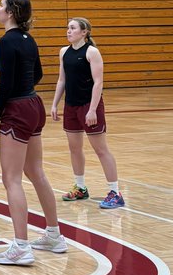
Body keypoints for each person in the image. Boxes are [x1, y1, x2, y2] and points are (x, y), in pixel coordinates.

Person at [0, 0, 66, 266]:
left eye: (1, 6)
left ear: (10, 12)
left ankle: (21, 246)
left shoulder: (6, 42)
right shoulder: (28, 39)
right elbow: (40, 74)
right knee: (35, 171)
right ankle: (54, 235)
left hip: (17, 108)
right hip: (34, 103)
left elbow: (5, 84)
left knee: (11, 179)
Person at [51, 17, 125, 209]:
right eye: (67, 28)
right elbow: (62, 80)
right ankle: (81, 188)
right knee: (74, 149)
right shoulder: (63, 52)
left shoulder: (92, 52)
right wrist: (54, 104)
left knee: (101, 150)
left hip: (89, 106)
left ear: (84, 32)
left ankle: (115, 192)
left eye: (73, 28)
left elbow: (98, 82)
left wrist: (92, 109)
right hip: (71, 106)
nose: (68, 31)